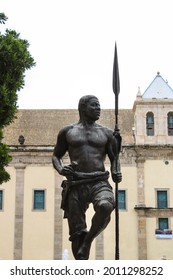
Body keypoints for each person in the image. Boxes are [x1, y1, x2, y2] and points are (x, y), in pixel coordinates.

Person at [52, 95, 122, 260]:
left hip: (99, 181)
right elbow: (56, 156)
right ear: (83, 108)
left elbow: (115, 159)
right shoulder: (68, 132)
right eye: (94, 105)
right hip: (75, 184)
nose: (99, 108)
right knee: (77, 234)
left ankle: (88, 241)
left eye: (99, 105)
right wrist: (61, 169)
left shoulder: (107, 133)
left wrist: (115, 172)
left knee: (106, 206)